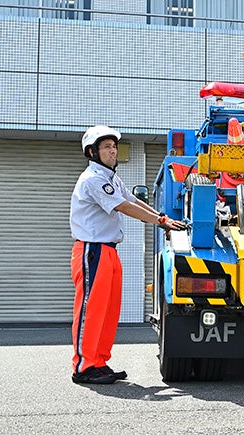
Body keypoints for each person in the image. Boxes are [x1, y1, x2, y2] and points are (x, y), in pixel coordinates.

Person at [69, 125, 187, 385]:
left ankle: (98, 362)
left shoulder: (111, 178)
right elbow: (123, 207)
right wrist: (159, 223)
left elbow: (132, 200)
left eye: (114, 147)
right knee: (91, 310)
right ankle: (83, 366)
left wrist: (161, 217)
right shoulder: (93, 179)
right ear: (92, 152)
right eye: (106, 148)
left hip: (108, 251)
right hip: (92, 250)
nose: (113, 152)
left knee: (108, 310)